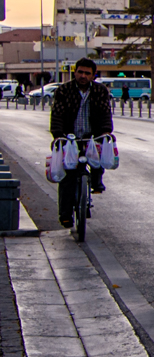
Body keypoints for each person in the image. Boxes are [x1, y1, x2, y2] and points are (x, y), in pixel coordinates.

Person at [49, 58, 113, 229]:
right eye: (80, 72)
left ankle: (97, 181)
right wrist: (58, 136)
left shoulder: (100, 91)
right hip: (70, 137)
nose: (83, 76)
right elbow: (57, 114)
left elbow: (106, 113)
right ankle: (65, 215)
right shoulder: (64, 90)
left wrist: (106, 132)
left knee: (100, 155)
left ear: (93, 76)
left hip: (92, 136)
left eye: (87, 73)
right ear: (75, 72)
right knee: (68, 175)